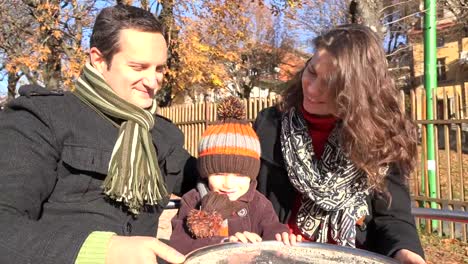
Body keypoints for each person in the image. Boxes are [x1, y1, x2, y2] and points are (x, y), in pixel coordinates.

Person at [0, 5, 196, 264]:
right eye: (139, 67)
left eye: (159, 69)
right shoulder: (41, 118)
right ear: (98, 59)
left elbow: (217, 179)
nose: (152, 82)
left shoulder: (164, 135)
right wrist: (103, 251)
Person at [253, 24, 426, 264]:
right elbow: (244, 194)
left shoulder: (382, 138)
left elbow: (393, 218)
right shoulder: (270, 125)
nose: (312, 90)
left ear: (358, 90)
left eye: (331, 83)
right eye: (312, 72)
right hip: (279, 257)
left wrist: (406, 253)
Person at [169, 97, 302, 255]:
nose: (228, 183)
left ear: (251, 175)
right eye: (218, 173)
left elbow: (272, 231)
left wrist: (283, 238)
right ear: (205, 172)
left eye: (239, 175)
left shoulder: (259, 204)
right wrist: (225, 245)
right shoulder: (193, 200)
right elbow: (179, 245)